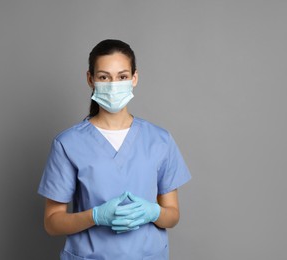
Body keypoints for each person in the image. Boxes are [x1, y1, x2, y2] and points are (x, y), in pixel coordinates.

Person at [38, 39, 191, 259]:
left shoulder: (159, 140)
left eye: (122, 77)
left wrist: (153, 212)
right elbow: (52, 222)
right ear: (90, 79)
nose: (113, 85)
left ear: (134, 78)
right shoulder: (68, 144)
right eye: (103, 77)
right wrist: (96, 216)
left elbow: (172, 215)